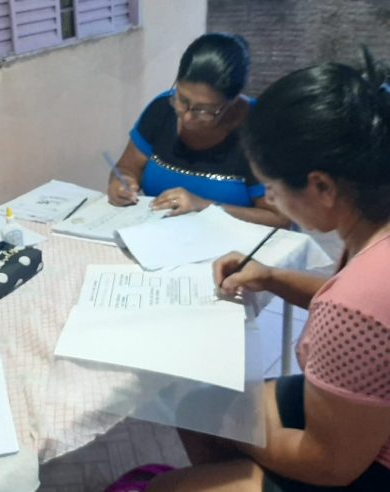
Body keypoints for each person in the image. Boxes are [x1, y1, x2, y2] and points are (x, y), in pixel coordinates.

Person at [145, 53, 390, 490]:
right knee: (201, 409)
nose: (273, 202)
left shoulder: (354, 303)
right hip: (367, 420)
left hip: (364, 466)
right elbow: (364, 317)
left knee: (172, 474)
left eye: (275, 190)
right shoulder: (373, 234)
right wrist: (271, 276)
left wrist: (238, 426)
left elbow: (330, 466)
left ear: (321, 186)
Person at [107, 33, 288, 227]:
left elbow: (280, 219)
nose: (186, 117)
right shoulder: (162, 110)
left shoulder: (261, 131)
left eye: (204, 110)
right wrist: (122, 183)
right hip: (162, 238)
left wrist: (206, 207)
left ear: (233, 100)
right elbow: (126, 168)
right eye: (182, 99)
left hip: (236, 248)